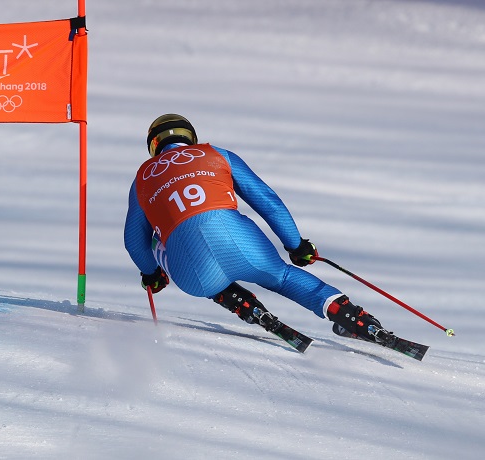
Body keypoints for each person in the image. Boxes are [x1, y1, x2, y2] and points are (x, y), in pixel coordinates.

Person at [124, 113, 392, 344]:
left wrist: (153, 275)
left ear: (154, 146)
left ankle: (236, 300)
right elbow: (267, 200)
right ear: (191, 137)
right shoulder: (217, 154)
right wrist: (296, 245)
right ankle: (349, 316)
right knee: (283, 277)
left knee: (156, 242)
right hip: (242, 245)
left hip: (194, 275)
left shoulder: (142, 179)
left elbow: (133, 241)